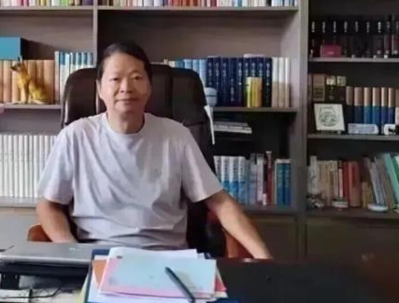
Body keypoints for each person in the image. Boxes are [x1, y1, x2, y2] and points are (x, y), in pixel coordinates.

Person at [36, 41, 272, 259]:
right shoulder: (76, 137)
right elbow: (49, 205)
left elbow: (219, 201)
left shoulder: (176, 135)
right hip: (98, 259)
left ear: (149, 87)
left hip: (166, 260)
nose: (126, 88)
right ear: (99, 89)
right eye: (115, 79)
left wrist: (264, 257)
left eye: (136, 78)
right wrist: (72, 251)